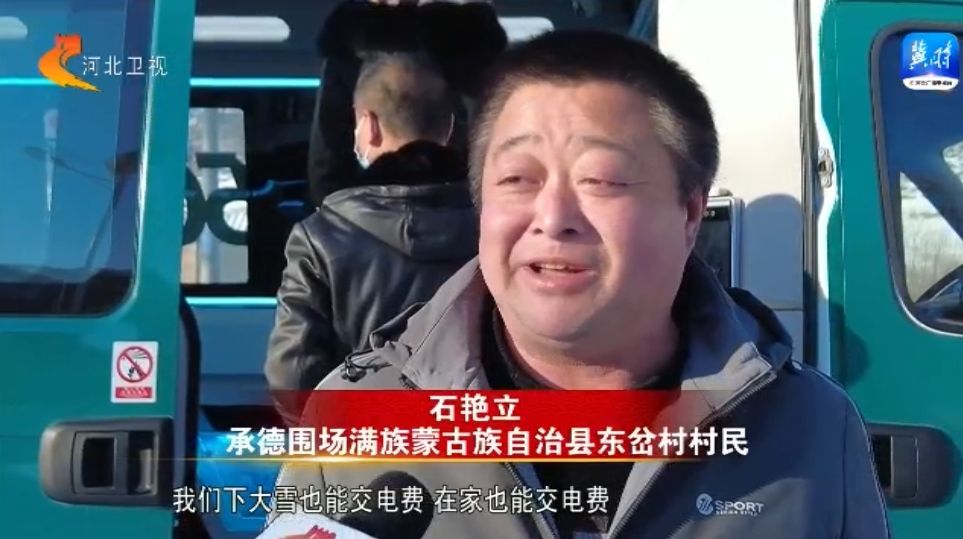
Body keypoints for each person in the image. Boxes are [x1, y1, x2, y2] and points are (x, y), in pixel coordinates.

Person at [274, 30, 890, 538]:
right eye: (517, 178)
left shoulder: (809, 425)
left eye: (602, 180)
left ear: (689, 212)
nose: (552, 217)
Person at [264, 51, 479, 426]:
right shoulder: (497, 227)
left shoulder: (320, 238)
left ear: (368, 125)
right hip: (474, 442)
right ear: (449, 126)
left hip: (363, 444)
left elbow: (293, 378)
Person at [307, 0, 507, 205]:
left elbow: (326, 163)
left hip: (362, 209)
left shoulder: (350, 43)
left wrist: (333, 213)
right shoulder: (473, 43)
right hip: (463, 205)